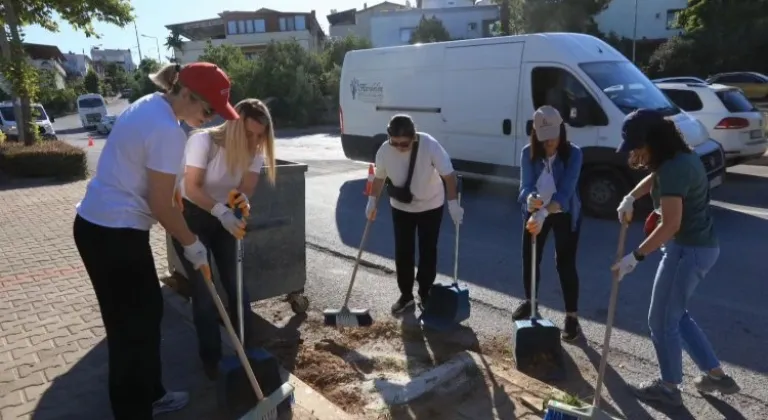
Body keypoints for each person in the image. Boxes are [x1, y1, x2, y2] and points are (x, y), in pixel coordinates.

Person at [72, 62, 240, 420]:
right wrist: (193, 244)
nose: (210, 119)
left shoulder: (153, 105)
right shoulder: (166, 129)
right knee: (129, 331)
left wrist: (212, 209)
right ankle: (133, 411)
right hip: (113, 234)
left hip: (104, 228)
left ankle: (152, 394)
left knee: (147, 316)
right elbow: (159, 203)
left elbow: (166, 189)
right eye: (208, 109)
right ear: (186, 94)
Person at [612, 109, 740, 406]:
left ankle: (669, 387)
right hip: (695, 248)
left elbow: (671, 224)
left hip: (689, 250)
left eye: (638, 146)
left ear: (654, 141)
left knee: (660, 320)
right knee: (676, 315)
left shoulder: (674, 168)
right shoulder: (678, 158)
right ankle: (716, 375)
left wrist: (635, 256)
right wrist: (631, 197)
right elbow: (655, 179)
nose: (636, 153)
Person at [171, 98, 277, 380]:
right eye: (249, 133)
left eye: (260, 136)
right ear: (233, 126)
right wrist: (221, 211)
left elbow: (247, 187)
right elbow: (191, 188)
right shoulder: (203, 142)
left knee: (237, 284)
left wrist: (241, 204)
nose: (254, 141)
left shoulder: (254, 151)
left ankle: (247, 353)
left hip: (224, 217)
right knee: (205, 293)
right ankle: (212, 361)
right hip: (191, 217)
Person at [366, 114, 464, 314]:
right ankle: (406, 295)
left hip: (431, 205)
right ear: (389, 137)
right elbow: (379, 179)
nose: (400, 147)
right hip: (401, 206)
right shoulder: (385, 151)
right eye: (395, 143)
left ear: (414, 137)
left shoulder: (429, 144)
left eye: (405, 144)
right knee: (403, 251)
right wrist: (372, 201)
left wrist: (453, 203)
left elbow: (448, 175)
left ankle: (425, 292)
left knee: (428, 250)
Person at [514, 105, 584, 342]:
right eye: (544, 138)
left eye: (553, 136)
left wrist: (544, 213)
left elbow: (565, 194)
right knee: (530, 257)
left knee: (565, 262)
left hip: (563, 212)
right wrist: (530, 198)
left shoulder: (574, 154)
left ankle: (572, 317)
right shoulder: (527, 153)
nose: (549, 142)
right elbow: (524, 187)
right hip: (536, 211)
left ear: (562, 131)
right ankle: (530, 302)